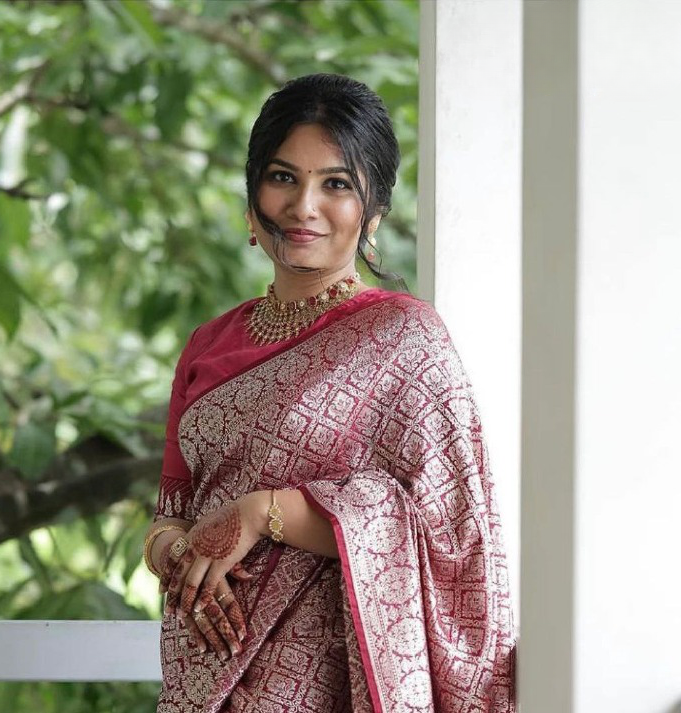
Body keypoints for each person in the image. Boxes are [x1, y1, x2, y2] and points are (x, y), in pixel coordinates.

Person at [143, 73, 516, 713]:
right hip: (204, 674)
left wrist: (263, 513)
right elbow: (168, 517)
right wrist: (183, 557)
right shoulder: (208, 343)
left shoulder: (405, 338)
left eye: (336, 184)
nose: (303, 206)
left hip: (333, 684)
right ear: (253, 196)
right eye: (283, 177)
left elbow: (451, 537)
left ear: (372, 213)